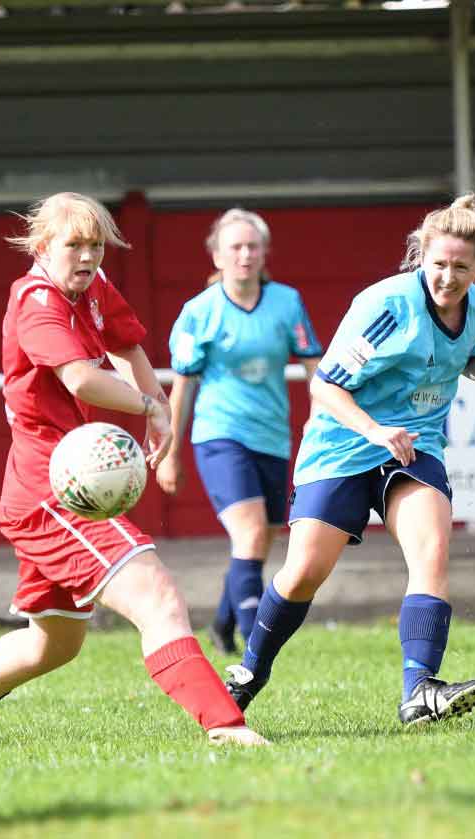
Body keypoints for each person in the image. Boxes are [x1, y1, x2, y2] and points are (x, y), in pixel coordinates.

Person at [0, 192, 266, 747]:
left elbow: (127, 343)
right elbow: (82, 380)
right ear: (43, 246)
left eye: (96, 245)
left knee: (52, 644)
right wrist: (147, 407)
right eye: (75, 244)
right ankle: (226, 725)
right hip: (57, 493)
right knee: (158, 596)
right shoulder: (36, 301)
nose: (89, 256)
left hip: (48, 490)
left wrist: (159, 406)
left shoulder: (90, 286)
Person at [223, 193, 475, 726]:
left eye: (462, 268)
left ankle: (419, 691)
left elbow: (468, 356)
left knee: (431, 551)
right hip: (342, 445)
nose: (448, 277)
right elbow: (324, 388)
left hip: (414, 449)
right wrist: (374, 429)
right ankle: (250, 672)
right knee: (302, 575)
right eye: (438, 264)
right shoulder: (386, 307)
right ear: (421, 257)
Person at [158, 208, 322, 654]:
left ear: (265, 252)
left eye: (253, 246)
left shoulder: (287, 302)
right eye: (235, 247)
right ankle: (255, 645)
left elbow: (315, 368)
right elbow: (183, 385)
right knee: (249, 534)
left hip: (271, 436)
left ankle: (222, 622)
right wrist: (170, 450)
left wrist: (322, 414)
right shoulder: (198, 313)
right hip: (219, 435)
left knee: (263, 538)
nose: (245, 255)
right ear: (216, 255)